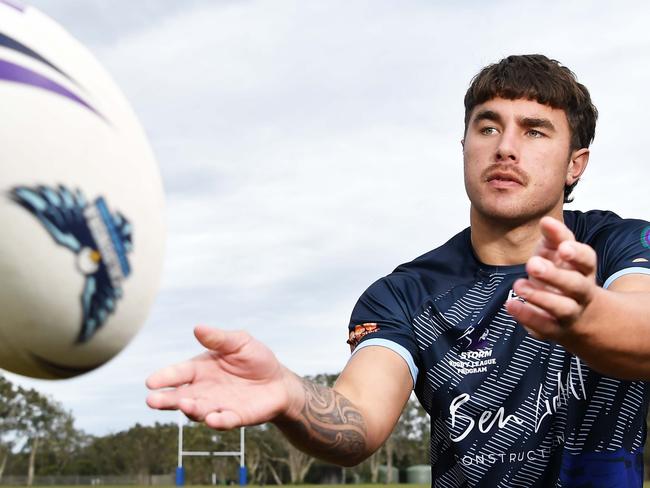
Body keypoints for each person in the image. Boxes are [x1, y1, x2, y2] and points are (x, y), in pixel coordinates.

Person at [146, 54, 650, 487]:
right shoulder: (407, 294)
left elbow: (642, 325)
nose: (505, 147)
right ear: (465, 147)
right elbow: (360, 418)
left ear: (575, 164)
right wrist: (291, 396)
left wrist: (585, 316)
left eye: (534, 130)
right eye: (488, 126)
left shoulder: (617, 246)